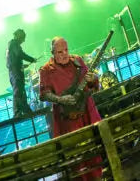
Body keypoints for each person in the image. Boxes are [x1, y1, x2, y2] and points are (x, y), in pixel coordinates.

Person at [38, 37, 103, 179]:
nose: (64, 54)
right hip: (68, 121)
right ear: (53, 52)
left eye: (66, 50)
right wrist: (60, 99)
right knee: (76, 159)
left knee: (96, 153)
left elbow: (92, 83)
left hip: (88, 113)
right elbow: (44, 94)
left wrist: (93, 79)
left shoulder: (77, 61)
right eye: (60, 52)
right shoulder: (46, 70)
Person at [6, 29, 38, 118]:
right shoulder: (14, 44)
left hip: (14, 72)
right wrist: (32, 59)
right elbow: (20, 54)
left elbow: (12, 61)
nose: (24, 40)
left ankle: (23, 111)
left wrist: (21, 65)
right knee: (18, 92)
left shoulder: (11, 45)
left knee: (20, 91)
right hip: (16, 73)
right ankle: (18, 113)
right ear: (19, 36)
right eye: (23, 38)